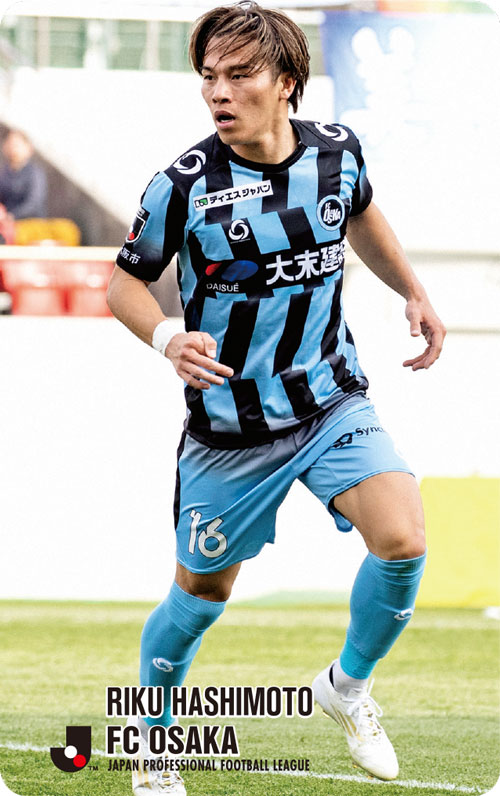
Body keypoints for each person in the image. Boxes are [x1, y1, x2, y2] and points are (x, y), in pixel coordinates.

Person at [107, 3, 446, 793]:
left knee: (402, 537)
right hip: (231, 432)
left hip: (329, 400)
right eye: (209, 77)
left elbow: (361, 215)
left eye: (239, 75)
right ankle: (153, 741)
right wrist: (167, 337)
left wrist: (413, 290)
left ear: (287, 80)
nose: (218, 93)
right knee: (200, 597)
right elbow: (124, 282)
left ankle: (347, 687)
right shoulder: (183, 185)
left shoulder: (336, 152)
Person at [0, 129, 47, 220]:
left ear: (28, 148)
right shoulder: (4, 172)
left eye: (16, 145)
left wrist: (12, 215)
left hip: (29, 222)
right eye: (9, 144)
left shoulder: (34, 173)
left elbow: (33, 203)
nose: (12, 148)